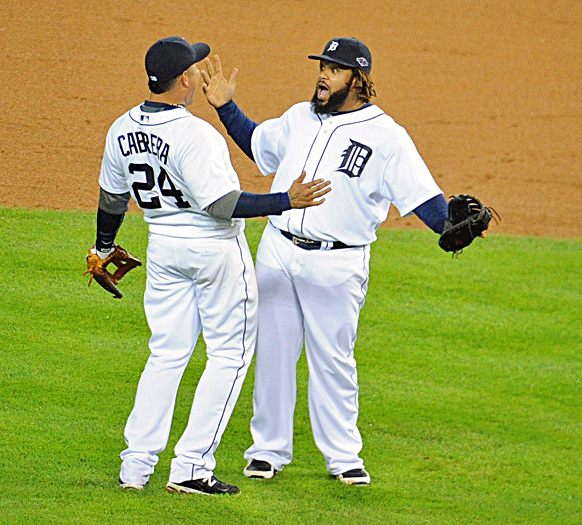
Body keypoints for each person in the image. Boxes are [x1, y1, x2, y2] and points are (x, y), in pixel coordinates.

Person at [202, 37, 460, 486]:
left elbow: (424, 197)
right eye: (322, 66)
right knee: (274, 355)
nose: (323, 75)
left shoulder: (387, 136)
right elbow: (258, 142)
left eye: (335, 69)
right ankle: (267, 450)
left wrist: (449, 228)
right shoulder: (300, 117)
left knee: (333, 360)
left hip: (337, 262)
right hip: (279, 249)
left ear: (358, 80)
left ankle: (343, 457)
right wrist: (226, 108)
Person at [91, 36, 330, 495]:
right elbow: (223, 205)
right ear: (184, 79)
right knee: (229, 356)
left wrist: (104, 246)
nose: (203, 72)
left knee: (166, 354)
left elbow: (112, 198)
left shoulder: (120, 128)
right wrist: (286, 200)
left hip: (163, 248)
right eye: (197, 68)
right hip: (212, 252)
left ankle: (135, 466)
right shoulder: (196, 134)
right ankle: (191, 468)